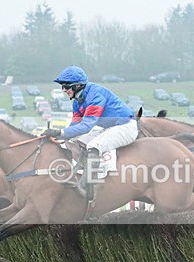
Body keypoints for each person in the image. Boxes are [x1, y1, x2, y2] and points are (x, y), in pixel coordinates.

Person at [43, 66, 137, 201]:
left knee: (94, 145)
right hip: (111, 127)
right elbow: (75, 125)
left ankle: (89, 185)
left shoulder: (95, 95)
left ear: (77, 85)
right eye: (62, 86)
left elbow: (86, 126)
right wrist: (58, 136)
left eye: (66, 86)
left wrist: (60, 132)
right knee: (78, 142)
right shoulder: (77, 101)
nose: (63, 90)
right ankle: (78, 171)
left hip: (126, 127)